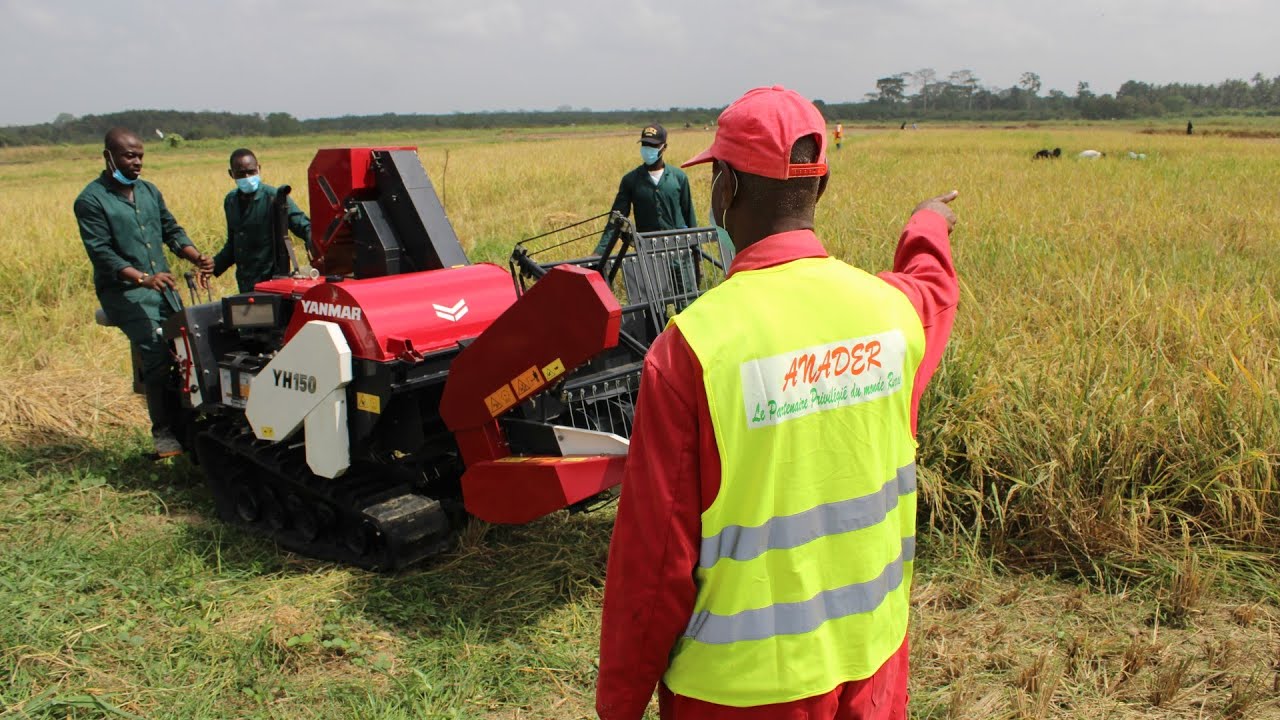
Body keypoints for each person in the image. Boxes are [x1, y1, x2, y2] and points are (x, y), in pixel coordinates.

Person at [596, 86, 960, 719]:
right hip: (871, 666)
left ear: (724, 188)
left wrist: (619, 703)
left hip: (741, 694)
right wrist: (926, 223)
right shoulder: (893, 316)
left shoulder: (693, 351)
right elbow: (934, 288)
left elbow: (654, 567)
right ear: (819, 191)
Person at [74, 128, 215, 458]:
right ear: (108, 156)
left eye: (140, 156)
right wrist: (142, 278)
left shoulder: (149, 192)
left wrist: (197, 256)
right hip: (126, 292)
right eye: (129, 156)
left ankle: (191, 426)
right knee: (155, 353)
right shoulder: (91, 200)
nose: (136, 162)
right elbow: (102, 253)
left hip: (162, 287)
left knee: (189, 349)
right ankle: (163, 433)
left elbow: (171, 229)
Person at [204, 148, 311, 293]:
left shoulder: (274, 197)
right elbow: (233, 245)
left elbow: (303, 226)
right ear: (231, 174)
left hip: (271, 282)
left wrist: (316, 246)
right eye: (241, 174)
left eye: (251, 172)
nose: (247, 177)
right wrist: (213, 267)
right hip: (245, 282)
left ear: (259, 169)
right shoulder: (231, 201)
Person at [594, 123, 697, 254]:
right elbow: (616, 221)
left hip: (680, 252)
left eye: (653, 146)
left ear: (664, 147)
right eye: (645, 145)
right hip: (649, 254)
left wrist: (696, 252)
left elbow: (689, 215)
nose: (648, 150)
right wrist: (599, 252)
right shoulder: (630, 180)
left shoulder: (678, 177)